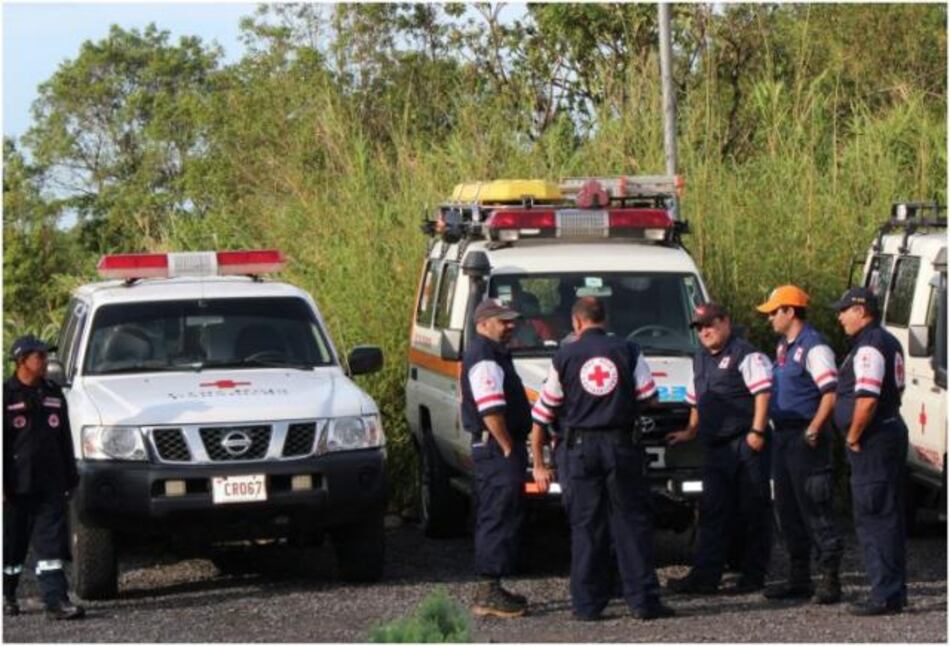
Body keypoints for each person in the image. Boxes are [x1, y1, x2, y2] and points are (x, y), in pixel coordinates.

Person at [530, 297, 674, 621]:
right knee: (631, 523)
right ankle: (643, 602)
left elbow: (546, 409)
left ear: (576, 323)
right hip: (621, 446)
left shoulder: (563, 355)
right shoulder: (629, 350)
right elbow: (649, 396)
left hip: (579, 448)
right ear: (604, 320)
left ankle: (586, 605)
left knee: (586, 526)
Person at [666, 303, 773, 595]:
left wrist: (757, 430)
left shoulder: (747, 355)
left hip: (745, 443)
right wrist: (690, 430)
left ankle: (753, 576)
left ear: (726, 322)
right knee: (712, 512)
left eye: (709, 325)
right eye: (699, 328)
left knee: (752, 511)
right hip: (716, 447)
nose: (705, 332)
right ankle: (705, 577)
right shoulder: (700, 359)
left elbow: (763, 393)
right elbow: (697, 399)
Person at [756, 285, 844, 604]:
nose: (769, 319)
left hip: (805, 438)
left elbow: (830, 393)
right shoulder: (784, 347)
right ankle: (799, 577)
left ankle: (830, 580)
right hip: (783, 437)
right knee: (788, 508)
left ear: (790, 312)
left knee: (814, 506)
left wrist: (814, 429)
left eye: (772, 312)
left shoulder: (814, 347)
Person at [831, 287, 908, 616]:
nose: (839, 317)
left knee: (875, 516)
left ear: (861, 311)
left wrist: (852, 435)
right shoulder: (883, 341)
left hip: (873, 440)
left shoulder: (870, 347)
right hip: (885, 433)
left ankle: (885, 594)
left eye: (844, 310)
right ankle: (890, 591)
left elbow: (867, 398)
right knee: (883, 513)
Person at [4, 335, 85, 620]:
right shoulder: (6, 396)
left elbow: (64, 438)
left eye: (45, 356)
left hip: (50, 483)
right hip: (16, 486)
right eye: (39, 356)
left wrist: (71, 477)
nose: (45, 361)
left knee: (51, 545)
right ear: (21, 361)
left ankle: (56, 601)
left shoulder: (52, 393)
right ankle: (7, 593)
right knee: (13, 547)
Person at [461, 299, 532, 618]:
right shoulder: (485, 356)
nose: (510, 325)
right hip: (496, 449)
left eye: (511, 320)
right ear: (483, 324)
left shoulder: (492, 354)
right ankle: (489, 590)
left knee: (503, 513)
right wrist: (505, 444)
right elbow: (490, 408)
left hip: (496, 447)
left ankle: (494, 586)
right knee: (497, 515)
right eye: (503, 321)